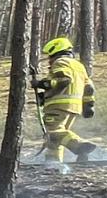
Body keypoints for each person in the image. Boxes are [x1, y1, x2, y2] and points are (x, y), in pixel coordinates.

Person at [33, 37, 98, 172]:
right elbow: (89, 87)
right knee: (56, 140)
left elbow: (63, 80)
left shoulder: (60, 62)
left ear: (56, 51)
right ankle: (53, 165)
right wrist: (88, 105)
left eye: (50, 56)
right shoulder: (79, 66)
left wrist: (42, 84)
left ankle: (79, 145)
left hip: (58, 105)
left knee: (53, 132)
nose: (49, 59)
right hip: (74, 107)